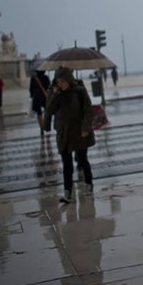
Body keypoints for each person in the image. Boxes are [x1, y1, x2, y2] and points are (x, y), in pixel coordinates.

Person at [44, 67, 95, 203]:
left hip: (79, 132)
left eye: (62, 81)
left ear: (68, 80)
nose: (60, 84)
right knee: (66, 164)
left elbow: (89, 110)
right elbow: (49, 110)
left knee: (82, 159)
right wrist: (54, 95)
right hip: (63, 133)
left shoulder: (79, 91)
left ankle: (89, 184)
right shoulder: (55, 93)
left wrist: (86, 128)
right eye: (58, 81)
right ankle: (67, 193)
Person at [30, 70, 51, 136]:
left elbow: (31, 89)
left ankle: (41, 127)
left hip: (36, 97)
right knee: (46, 111)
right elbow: (49, 87)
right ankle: (46, 125)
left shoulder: (33, 78)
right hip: (44, 96)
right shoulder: (46, 78)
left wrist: (32, 95)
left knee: (39, 113)